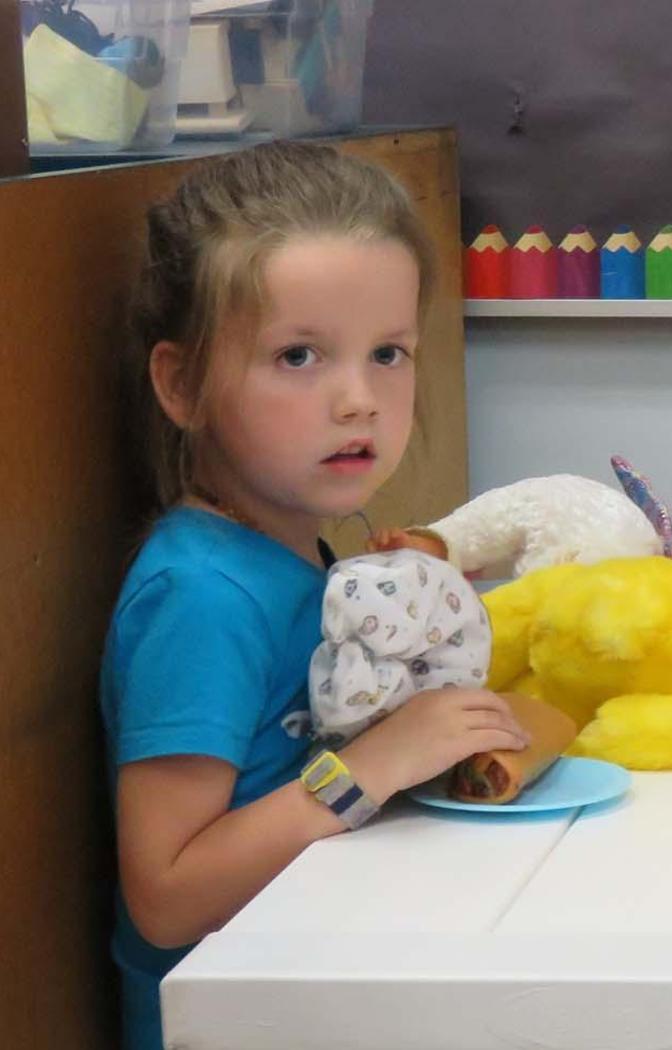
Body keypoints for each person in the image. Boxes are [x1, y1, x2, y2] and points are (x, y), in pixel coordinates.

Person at [101, 141, 530, 1050]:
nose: (358, 400)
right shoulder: (200, 598)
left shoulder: (298, 552)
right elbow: (166, 898)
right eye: (298, 356)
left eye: (388, 353)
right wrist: (374, 765)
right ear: (181, 384)